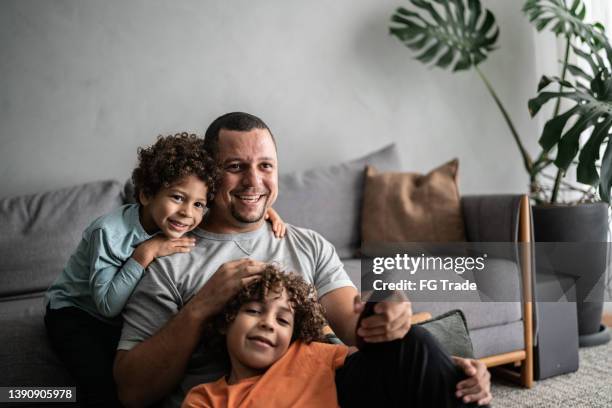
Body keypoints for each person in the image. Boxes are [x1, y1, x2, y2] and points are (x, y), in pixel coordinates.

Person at [114, 112, 492, 408]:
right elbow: (132, 392)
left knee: (420, 347)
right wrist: (200, 308)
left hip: (325, 388)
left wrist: (396, 322)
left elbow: (357, 329)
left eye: (265, 166)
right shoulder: (168, 258)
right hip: (246, 399)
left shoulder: (307, 244)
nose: (253, 181)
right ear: (209, 176)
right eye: (235, 167)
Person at [44, 132, 284, 407]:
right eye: (178, 197)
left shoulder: (178, 220)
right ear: (146, 194)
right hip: (77, 313)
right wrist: (145, 253)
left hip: (116, 314)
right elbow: (107, 305)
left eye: (197, 205)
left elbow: (229, 211)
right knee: (101, 390)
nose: (187, 213)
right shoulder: (108, 232)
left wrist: (267, 213)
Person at [181, 265, 346, 408]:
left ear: (293, 335)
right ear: (225, 321)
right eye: (253, 311)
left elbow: (368, 353)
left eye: (282, 320)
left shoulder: (313, 353)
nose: (268, 324)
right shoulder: (205, 399)